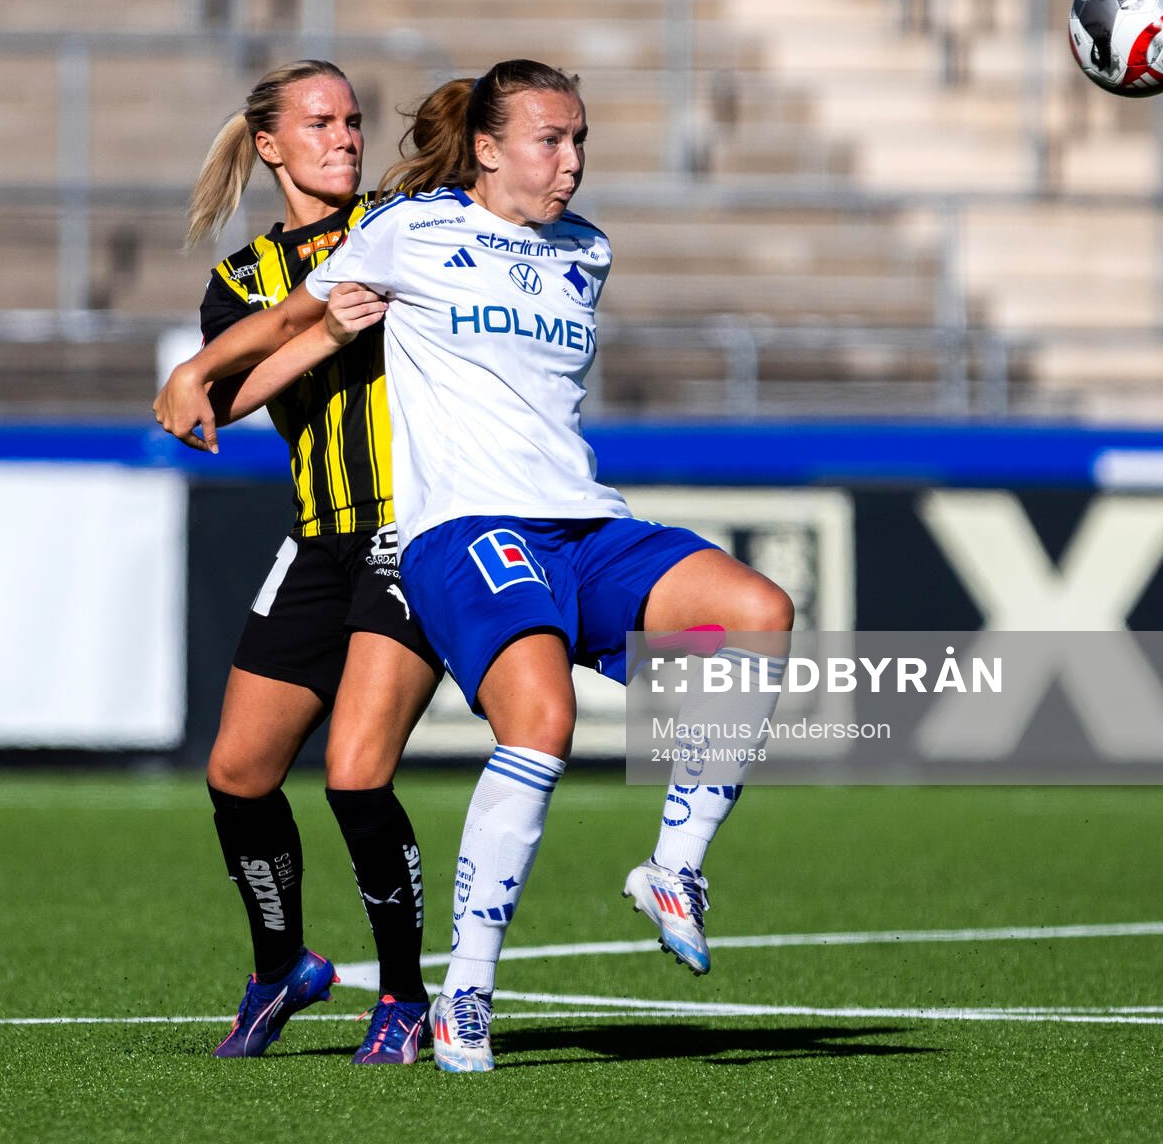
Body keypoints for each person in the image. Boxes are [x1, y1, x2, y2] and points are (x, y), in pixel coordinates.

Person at [295, 60, 795, 1073]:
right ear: (486, 147)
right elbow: (307, 325)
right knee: (544, 722)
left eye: (578, 141)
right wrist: (205, 376)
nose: (569, 161)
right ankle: (464, 991)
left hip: (583, 522)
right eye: (548, 139)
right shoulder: (410, 230)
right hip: (466, 526)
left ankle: (672, 866)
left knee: (758, 609)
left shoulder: (586, 251)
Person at [160, 59, 443, 1065]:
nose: (345, 136)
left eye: (354, 120)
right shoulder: (238, 280)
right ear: (268, 144)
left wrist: (309, 329)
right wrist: (320, 330)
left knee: (355, 777)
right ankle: (280, 962)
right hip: (317, 532)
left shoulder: (405, 219)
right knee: (237, 772)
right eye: (319, 122)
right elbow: (221, 403)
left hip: (416, 530)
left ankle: (406, 995)